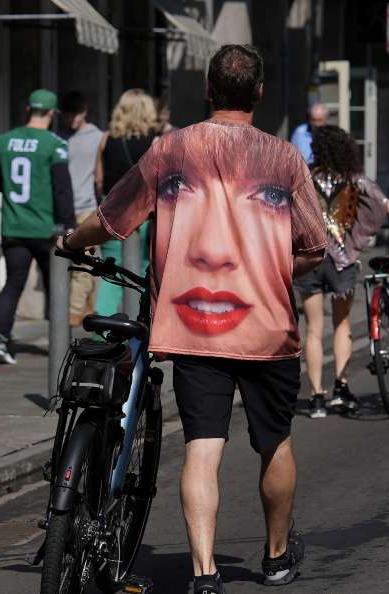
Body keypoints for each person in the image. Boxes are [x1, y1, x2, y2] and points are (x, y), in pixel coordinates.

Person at [58, 44, 327, 594]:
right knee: (275, 442)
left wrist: (71, 241)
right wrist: (271, 269)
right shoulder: (283, 158)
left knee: (202, 446)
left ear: (207, 89)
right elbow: (314, 246)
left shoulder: (170, 149)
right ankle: (276, 557)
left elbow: (112, 217)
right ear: (259, 93)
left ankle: (204, 574)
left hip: (193, 324)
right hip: (266, 325)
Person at [296, 125, 389, 419]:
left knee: (313, 329)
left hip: (310, 258)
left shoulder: (304, 179)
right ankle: (341, 388)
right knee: (342, 325)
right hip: (342, 261)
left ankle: (316, 398)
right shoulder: (356, 180)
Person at [0, 89, 75, 365]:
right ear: (51, 113)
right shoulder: (54, 144)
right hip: (46, 229)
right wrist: (70, 225)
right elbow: (62, 189)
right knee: (56, 286)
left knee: (13, 283)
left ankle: (0, 341)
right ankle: (61, 343)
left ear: (28, 110)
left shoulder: (4, 141)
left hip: (14, 226)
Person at [92, 88, 161, 317]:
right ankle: (137, 320)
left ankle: (102, 320)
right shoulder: (156, 143)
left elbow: (99, 180)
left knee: (111, 266)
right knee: (140, 266)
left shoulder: (106, 139)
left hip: (112, 208)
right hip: (144, 211)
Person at [58, 91, 105, 326]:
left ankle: (74, 312)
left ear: (84, 111)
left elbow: (100, 177)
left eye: (75, 114)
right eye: (67, 114)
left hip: (87, 207)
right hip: (64, 209)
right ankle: (84, 307)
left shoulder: (98, 137)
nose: (71, 119)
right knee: (79, 262)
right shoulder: (59, 138)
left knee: (85, 262)